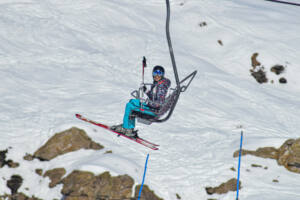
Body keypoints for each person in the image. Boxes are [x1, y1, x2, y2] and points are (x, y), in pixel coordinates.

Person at [111, 65, 171, 137]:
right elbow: (154, 97)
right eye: (155, 73)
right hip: (152, 107)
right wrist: (146, 90)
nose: (157, 75)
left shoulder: (161, 87)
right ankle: (127, 125)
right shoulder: (158, 84)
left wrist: (146, 102)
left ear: (162, 75)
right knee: (132, 101)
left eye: (159, 73)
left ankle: (127, 128)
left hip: (153, 110)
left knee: (129, 106)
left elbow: (158, 103)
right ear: (152, 74)